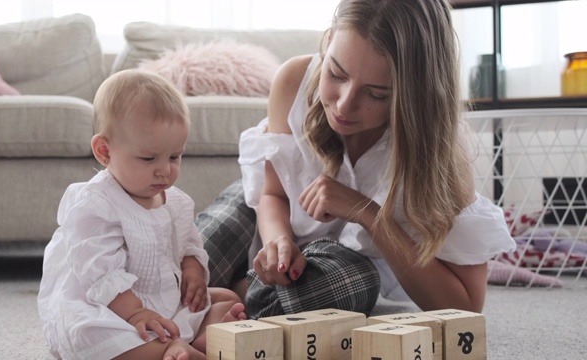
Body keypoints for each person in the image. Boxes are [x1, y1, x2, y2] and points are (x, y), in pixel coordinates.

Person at [199, 0, 516, 319]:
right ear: (329, 38)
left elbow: (465, 306)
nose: (344, 106)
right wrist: (278, 241)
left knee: (352, 281)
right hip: (264, 220)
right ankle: (214, 305)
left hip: (332, 266)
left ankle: (220, 301)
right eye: (335, 73)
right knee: (196, 255)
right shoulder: (293, 81)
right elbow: (271, 193)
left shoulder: (440, 148)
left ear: (414, 94)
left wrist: (368, 215)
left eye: (377, 94)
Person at [37, 69, 246, 360]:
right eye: (149, 158)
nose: (165, 169)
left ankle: (193, 342)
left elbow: (188, 244)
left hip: (163, 302)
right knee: (89, 334)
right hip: (110, 305)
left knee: (226, 299)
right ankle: (168, 349)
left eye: (175, 156)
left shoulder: (175, 202)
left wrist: (193, 269)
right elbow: (100, 273)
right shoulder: (95, 204)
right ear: (104, 151)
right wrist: (136, 313)